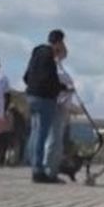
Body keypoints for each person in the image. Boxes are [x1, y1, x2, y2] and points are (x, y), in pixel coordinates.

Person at [23, 29, 66, 183]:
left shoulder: (36, 54)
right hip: (45, 99)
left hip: (31, 96)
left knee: (35, 133)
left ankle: (33, 164)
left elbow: (26, 76)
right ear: (59, 43)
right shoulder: (49, 57)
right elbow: (49, 79)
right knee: (42, 134)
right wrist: (60, 88)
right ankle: (38, 170)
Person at [44, 44, 75, 180]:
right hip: (58, 105)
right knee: (54, 139)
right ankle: (49, 168)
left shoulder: (60, 66)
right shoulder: (55, 67)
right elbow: (57, 84)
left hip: (63, 106)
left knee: (57, 139)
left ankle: (52, 168)